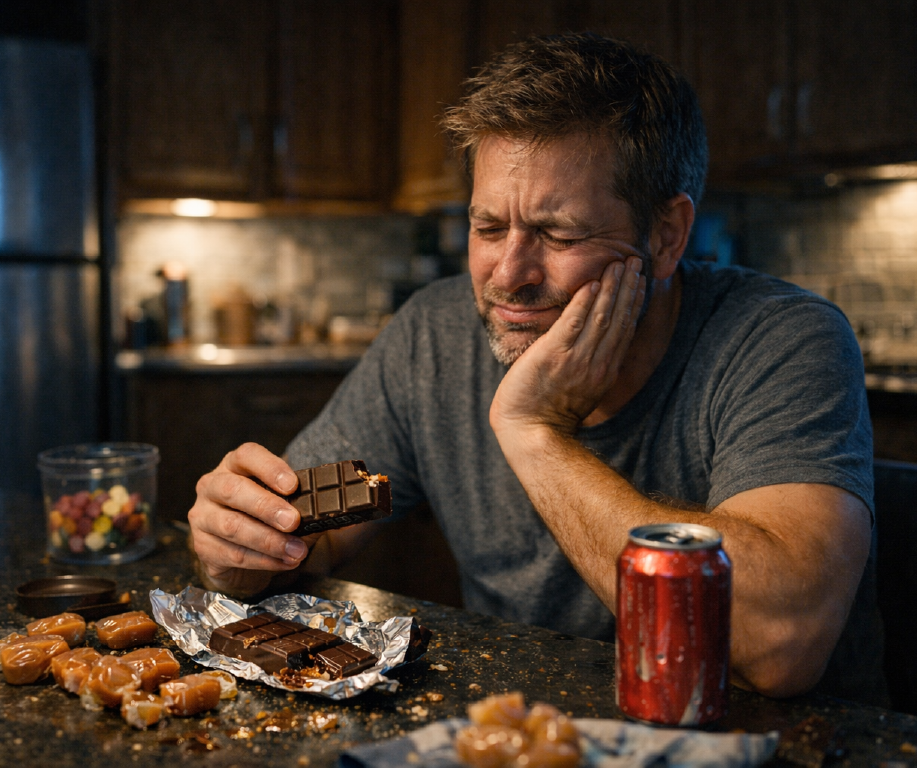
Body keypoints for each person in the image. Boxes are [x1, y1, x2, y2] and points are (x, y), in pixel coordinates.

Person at [188, 32, 884, 703]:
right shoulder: (433, 333)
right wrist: (239, 547)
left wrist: (534, 432)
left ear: (666, 235)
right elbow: (310, 540)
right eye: (488, 228)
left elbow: (779, 644)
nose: (509, 276)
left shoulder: (785, 340)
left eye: (559, 234)